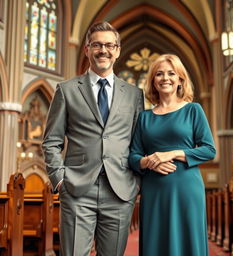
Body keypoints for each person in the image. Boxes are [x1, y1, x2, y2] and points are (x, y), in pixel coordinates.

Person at [42, 21, 144, 256]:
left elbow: (139, 142)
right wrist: (59, 179)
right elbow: (51, 140)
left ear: (117, 50)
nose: (103, 50)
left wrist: (135, 183)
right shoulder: (66, 90)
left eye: (109, 45)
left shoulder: (134, 95)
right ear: (87, 49)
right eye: (96, 45)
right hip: (77, 189)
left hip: (119, 191)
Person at [128, 54, 216, 256]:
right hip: (154, 191)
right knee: (155, 243)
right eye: (159, 74)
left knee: (187, 243)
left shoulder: (193, 110)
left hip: (186, 188)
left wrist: (172, 154)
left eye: (171, 73)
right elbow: (133, 156)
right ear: (153, 81)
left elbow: (209, 149)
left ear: (180, 80)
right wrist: (149, 161)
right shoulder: (145, 117)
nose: (165, 78)